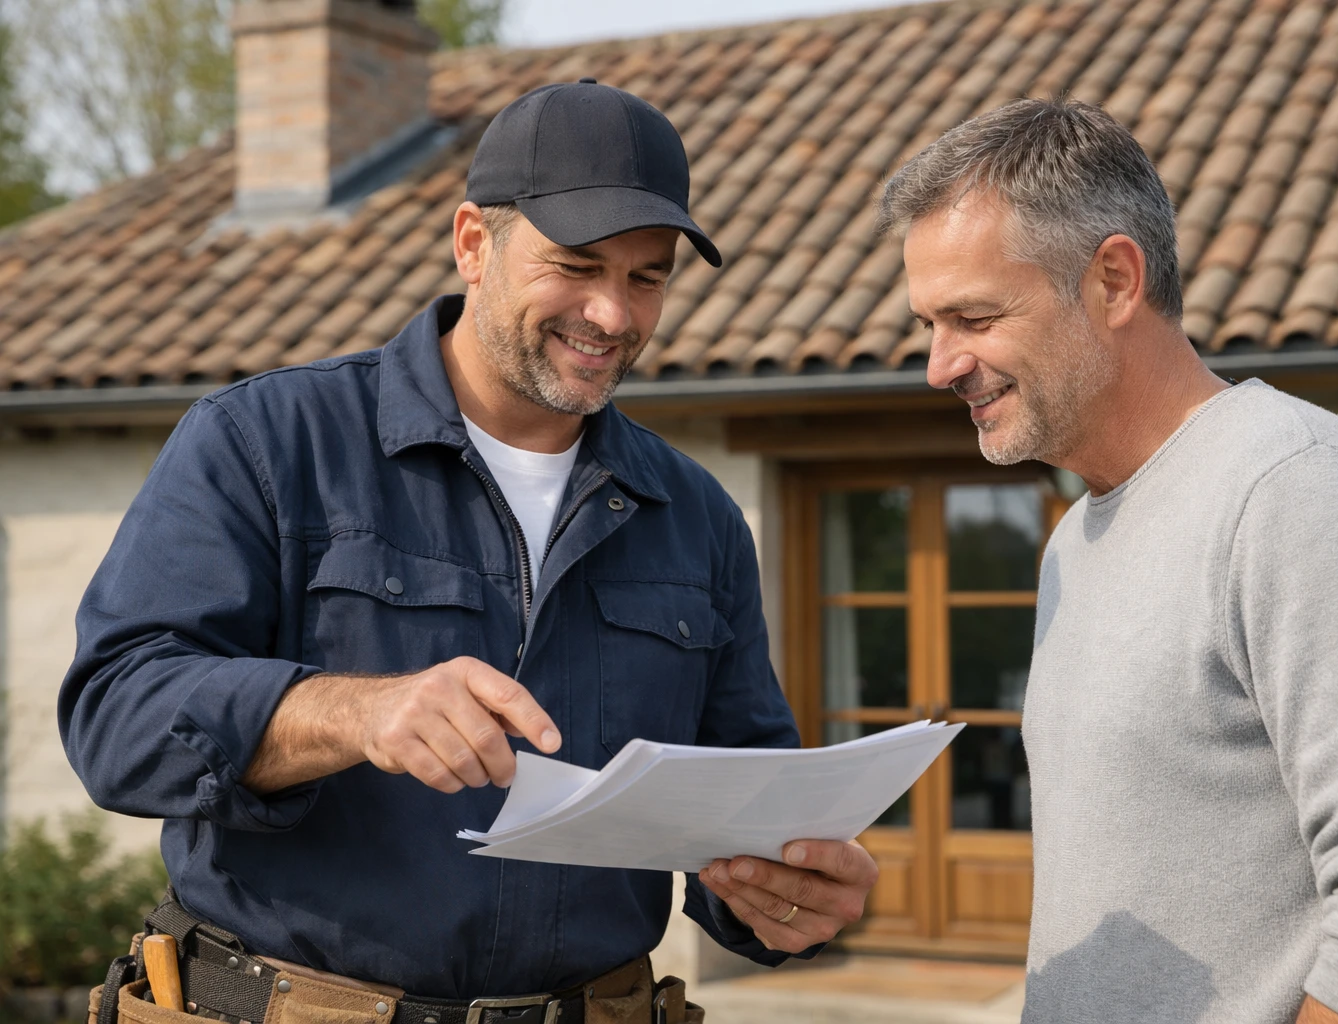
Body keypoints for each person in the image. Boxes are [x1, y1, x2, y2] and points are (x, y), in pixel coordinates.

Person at [61, 80, 876, 1024]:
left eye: (646, 278)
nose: (613, 314)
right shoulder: (267, 442)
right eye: (576, 265)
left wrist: (788, 895)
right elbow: (114, 718)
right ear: (473, 243)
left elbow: (745, 802)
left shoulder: (698, 516)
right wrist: (353, 713)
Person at [879, 98, 1338, 1024]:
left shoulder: (1297, 491)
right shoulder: (1074, 539)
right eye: (930, 325)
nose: (940, 366)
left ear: (1113, 281)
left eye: (974, 317)